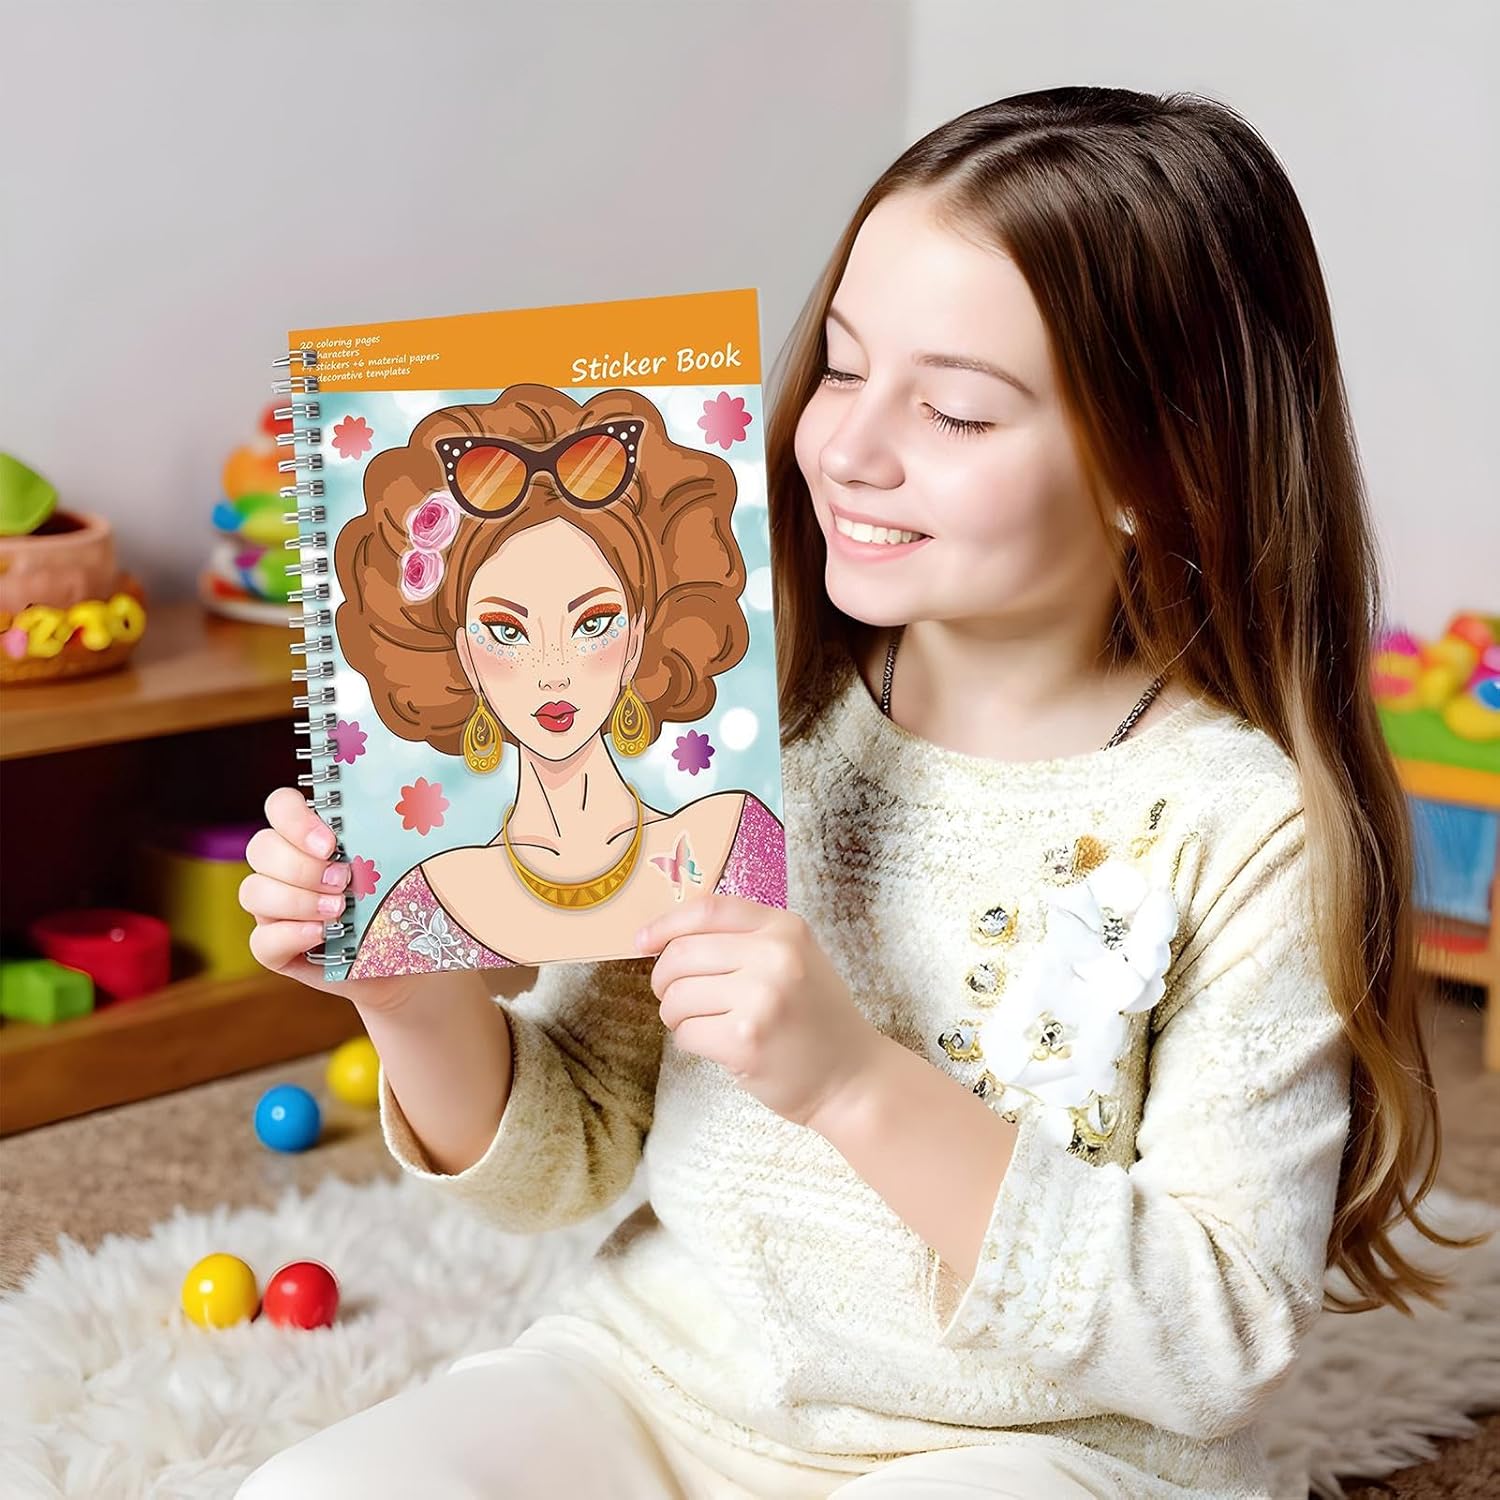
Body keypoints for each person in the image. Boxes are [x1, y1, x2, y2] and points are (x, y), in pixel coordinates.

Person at [235, 85, 1482, 1499]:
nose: (844, 448)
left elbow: (1217, 1341)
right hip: (664, 1385)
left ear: (1157, 469)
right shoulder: (756, 717)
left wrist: (851, 1084)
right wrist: (410, 998)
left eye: (955, 410)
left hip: (1041, 1453)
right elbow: (564, 1158)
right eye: (840, 366)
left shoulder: (1244, 827)